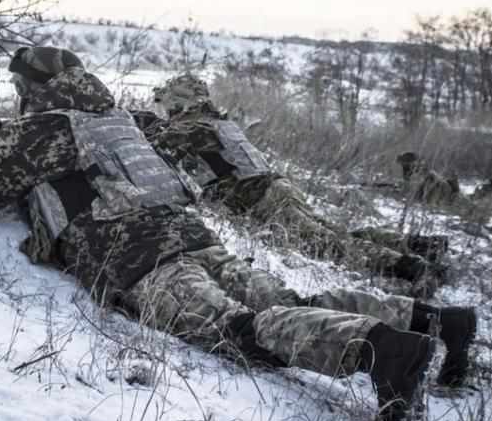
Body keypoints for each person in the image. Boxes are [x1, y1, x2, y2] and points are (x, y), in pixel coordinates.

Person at [0, 47, 476, 421]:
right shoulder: (118, 118)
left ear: (30, 89)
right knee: (289, 303)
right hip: (193, 236)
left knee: (238, 331)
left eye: (21, 90)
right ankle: (434, 321)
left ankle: (382, 352)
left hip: (139, 258)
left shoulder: (41, 129)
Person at [137, 74, 448, 296]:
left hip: (265, 199)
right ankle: (418, 245)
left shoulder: (195, 126)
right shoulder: (219, 121)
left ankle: (411, 267)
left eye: (167, 105)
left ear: (180, 104)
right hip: (276, 189)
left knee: (330, 246)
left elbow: (156, 145)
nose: (165, 110)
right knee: (334, 235)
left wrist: (135, 122)